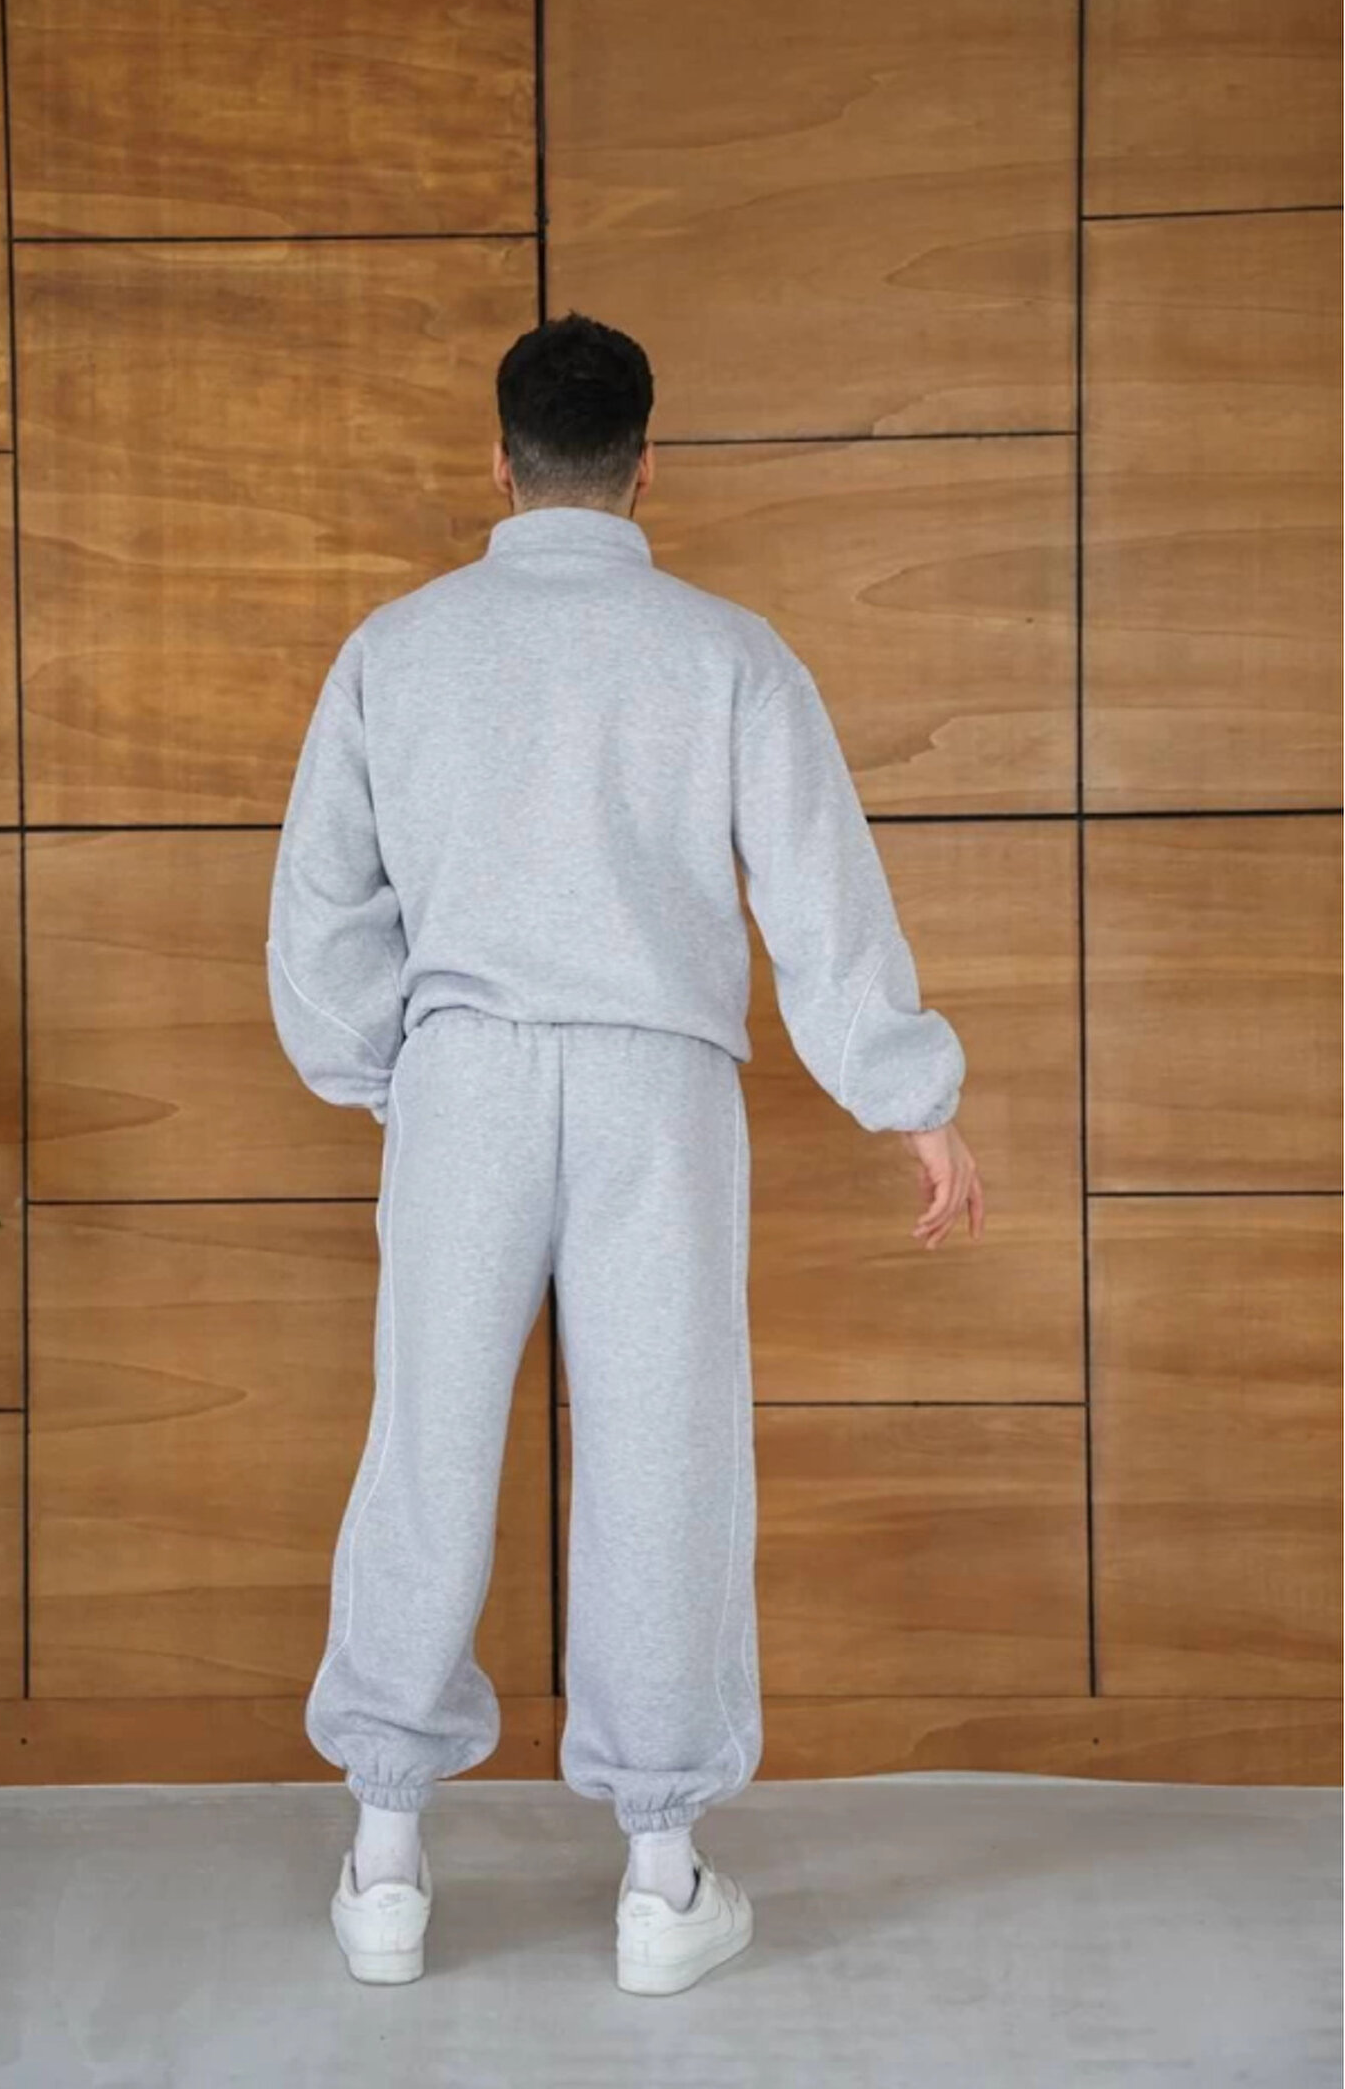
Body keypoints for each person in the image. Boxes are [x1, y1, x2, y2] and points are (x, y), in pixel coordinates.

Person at [265, 311, 984, 1996]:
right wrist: (913, 1095)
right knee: (667, 1452)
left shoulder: (397, 649)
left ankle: (385, 1864)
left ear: (499, 461)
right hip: (661, 1087)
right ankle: (661, 1884)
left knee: (428, 1443)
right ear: (648, 464)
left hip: (464, 1073)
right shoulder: (728, 654)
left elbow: (320, 918)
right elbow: (820, 896)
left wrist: (394, 1073)